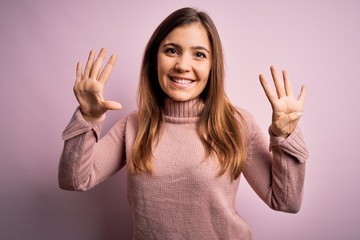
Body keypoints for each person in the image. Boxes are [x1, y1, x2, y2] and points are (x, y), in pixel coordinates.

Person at [58, 7, 308, 240]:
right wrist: (88, 117)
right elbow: (74, 180)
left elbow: (286, 201)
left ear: (212, 66)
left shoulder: (237, 124)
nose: (183, 65)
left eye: (199, 55)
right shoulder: (134, 125)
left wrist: (285, 137)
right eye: (171, 50)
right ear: (155, 58)